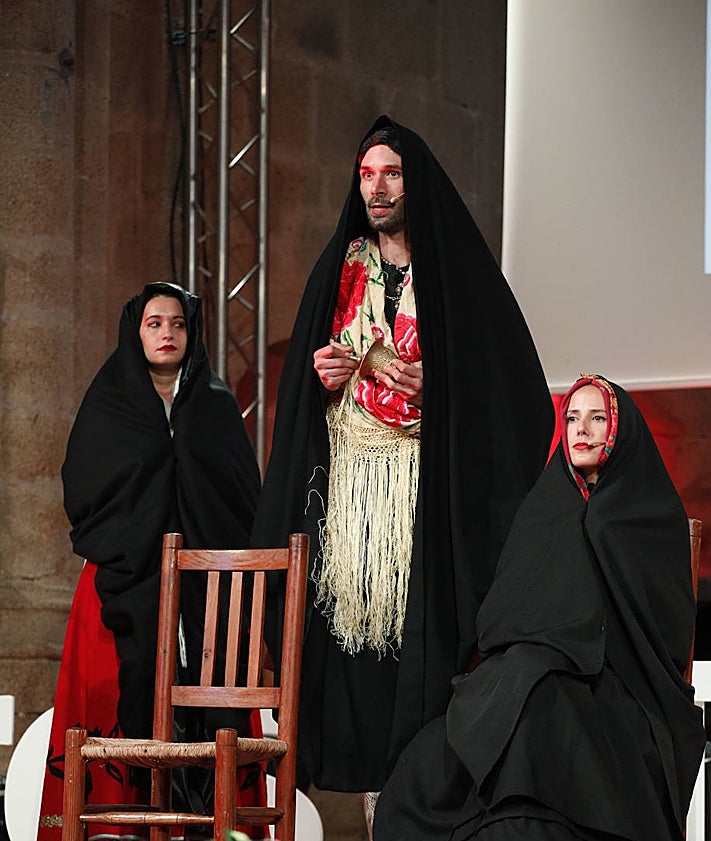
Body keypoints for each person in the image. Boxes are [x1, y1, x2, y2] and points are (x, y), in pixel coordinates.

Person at [250, 115, 554, 835]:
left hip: (424, 502)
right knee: (357, 664)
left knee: (418, 667)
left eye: (390, 172)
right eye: (366, 174)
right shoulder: (343, 264)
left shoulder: (454, 271)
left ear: (413, 182)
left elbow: (511, 386)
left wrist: (440, 389)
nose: (377, 186)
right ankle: (368, 817)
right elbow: (309, 377)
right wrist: (321, 374)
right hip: (351, 504)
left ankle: (420, 816)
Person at [373, 374, 706, 841]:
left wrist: (580, 641)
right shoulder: (544, 507)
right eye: (572, 418)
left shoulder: (650, 516)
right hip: (525, 673)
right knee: (438, 755)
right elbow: (501, 615)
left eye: (597, 419)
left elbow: (662, 629)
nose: (581, 431)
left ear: (619, 430)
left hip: (616, 683)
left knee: (549, 708)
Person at [38, 282, 266, 840]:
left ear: (192, 333)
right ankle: (124, 828)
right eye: (154, 324)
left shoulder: (213, 405)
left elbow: (240, 497)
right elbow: (84, 488)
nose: (167, 334)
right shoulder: (109, 402)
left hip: (204, 598)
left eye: (178, 324)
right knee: (113, 698)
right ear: (135, 332)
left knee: (208, 704)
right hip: (123, 583)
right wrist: (137, 539)